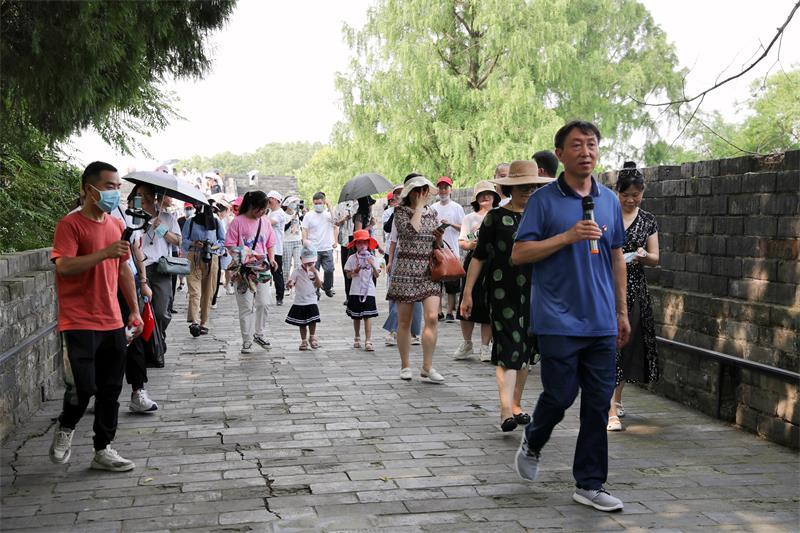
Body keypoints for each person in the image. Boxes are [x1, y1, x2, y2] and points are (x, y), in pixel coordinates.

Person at [512, 121, 630, 512]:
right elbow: (519, 254)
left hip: (601, 320)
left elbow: (617, 257)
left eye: (591, 144)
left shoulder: (609, 199)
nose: (586, 151)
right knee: (560, 395)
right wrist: (567, 236)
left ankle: (590, 484)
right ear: (560, 154)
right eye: (576, 145)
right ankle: (534, 438)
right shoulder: (543, 201)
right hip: (557, 318)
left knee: (598, 404)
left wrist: (621, 311)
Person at [48, 161, 140, 472]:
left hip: (112, 319)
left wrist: (134, 310)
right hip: (78, 320)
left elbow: (123, 269)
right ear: (90, 189)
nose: (115, 192)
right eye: (109, 186)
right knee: (84, 387)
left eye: (118, 187)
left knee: (111, 389)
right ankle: (66, 425)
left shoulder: (115, 225)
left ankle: (103, 448)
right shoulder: (70, 224)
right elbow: (64, 266)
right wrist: (104, 253)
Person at [463, 162, 553, 432]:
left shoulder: (542, 217)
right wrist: (467, 293)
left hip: (535, 291)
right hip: (502, 291)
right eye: (522, 186)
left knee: (525, 349)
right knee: (509, 347)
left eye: (532, 186)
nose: (528, 191)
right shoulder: (495, 218)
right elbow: (478, 256)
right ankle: (505, 410)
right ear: (510, 188)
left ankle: (516, 405)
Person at [607, 162, 660, 431]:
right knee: (609, 346)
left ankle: (616, 399)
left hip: (636, 288)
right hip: (607, 287)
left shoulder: (648, 220)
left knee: (626, 346)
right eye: (625, 195)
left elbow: (655, 257)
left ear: (643, 193)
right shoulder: (607, 215)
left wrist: (644, 256)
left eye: (635, 195)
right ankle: (609, 410)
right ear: (617, 192)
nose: (630, 200)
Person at [385, 175, 446, 383]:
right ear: (410, 193)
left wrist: (439, 238)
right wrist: (418, 208)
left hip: (428, 271)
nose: (422, 194)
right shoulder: (400, 212)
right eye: (418, 190)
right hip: (406, 271)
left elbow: (437, 246)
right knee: (404, 321)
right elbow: (410, 233)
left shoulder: (433, 213)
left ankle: (427, 366)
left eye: (424, 190)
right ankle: (405, 365)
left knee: (432, 317)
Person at [225, 191, 279, 354]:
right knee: (246, 306)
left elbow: (270, 242)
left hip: (261, 268)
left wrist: (272, 259)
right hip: (242, 270)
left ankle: (259, 333)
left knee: (264, 302)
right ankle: (247, 340)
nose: (262, 212)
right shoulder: (237, 222)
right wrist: (245, 255)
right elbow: (230, 245)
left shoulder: (265, 222)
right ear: (251, 206)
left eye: (264, 210)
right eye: (260, 209)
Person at [453, 180, 499, 362]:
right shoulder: (469, 218)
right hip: (473, 261)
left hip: (494, 263)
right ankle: (467, 343)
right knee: (468, 299)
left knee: (488, 304)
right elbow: (462, 241)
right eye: (481, 194)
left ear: (495, 197)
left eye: (489, 194)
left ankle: (485, 346)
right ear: (476, 198)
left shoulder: (499, 215)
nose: (485, 197)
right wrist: (470, 245)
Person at [138, 184, 182, 347]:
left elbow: (178, 241)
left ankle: (158, 338)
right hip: (138, 268)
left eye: (147, 194)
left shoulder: (167, 218)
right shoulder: (133, 216)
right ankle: (145, 346)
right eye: (139, 194)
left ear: (155, 197)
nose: (143, 198)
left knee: (161, 311)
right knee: (140, 311)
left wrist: (161, 229)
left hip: (160, 268)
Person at [181, 202, 225, 337]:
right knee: (194, 291)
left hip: (211, 258)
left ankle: (203, 322)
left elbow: (222, 241)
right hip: (194, 257)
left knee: (208, 291)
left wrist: (212, 246)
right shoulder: (190, 222)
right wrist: (193, 243)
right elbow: (184, 240)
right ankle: (194, 321)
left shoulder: (216, 222)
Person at [431, 176, 465, 322]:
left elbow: (464, 228)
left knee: (452, 284)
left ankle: (450, 311)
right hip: (436, 249)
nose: (443, 190)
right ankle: (439, 311)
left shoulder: (457, 207)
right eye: (441, 188)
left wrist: (450, 224)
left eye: (446, 187)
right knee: (437, 282)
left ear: (451, 189)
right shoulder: (433, 208)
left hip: (452, 250)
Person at [344, 229, 381, 351]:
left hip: (369, 290)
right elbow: (348, 276)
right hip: (355, 290)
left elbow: (377, 275)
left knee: (368, 316)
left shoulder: (372, 257)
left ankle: (368, 340)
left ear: (368, 244)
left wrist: (372, 265)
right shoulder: (351, 258)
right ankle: (357, 337)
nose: (362, 245)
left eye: (365, 242)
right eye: (359, 242)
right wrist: (354, 271)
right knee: (356, 316)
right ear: (355, 244)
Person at [285, 245, 323, 350]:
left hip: (311, 300)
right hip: (300, 301)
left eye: (311, 262)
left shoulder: (315, 271)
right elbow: (292, 282)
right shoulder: (296, 271)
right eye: (306, 262)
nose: (308, 265)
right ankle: (304, 340)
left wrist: (315, 274)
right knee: (302, 323)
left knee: (313, 320)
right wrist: (290, 284)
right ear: (301, 259)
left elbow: (319, 285)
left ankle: (312, 337)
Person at [302, 192, 337, 298]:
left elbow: (335, 223)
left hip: (327, 247)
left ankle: (327, 287)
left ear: (324, 202)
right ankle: (315, 292)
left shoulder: (328, 214)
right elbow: (305, 229)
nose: (318, 205)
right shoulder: (309, 215)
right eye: (316, 203)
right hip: (313, 248)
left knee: (329, 270)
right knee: (313, 272)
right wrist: (305, 241)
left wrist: (330, 207)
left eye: (320, 203)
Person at [267, 190, 287, 305]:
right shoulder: (269, 212)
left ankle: (280, 296)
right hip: (266, 247)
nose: (268, 201)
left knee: (277, 273)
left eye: (270, 199)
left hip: (276, 249)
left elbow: (269, 222)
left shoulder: (279, 213)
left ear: (276, 200)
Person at [333, 199, 356, 298]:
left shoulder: (360, 203)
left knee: (357, 267)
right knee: (346, 268)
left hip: (357, 240)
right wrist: (344, 219)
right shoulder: (340, 204)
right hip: (345, 241)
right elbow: (335, 222)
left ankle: (356, 294)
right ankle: (348, 295)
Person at [282, 196, 303, 283]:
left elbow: (304, 222)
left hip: (297, 241)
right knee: (287, 265)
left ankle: (296, 283)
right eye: (293, 202)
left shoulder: (298, 213)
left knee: (298, 264)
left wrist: (302, 212)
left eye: (295, 202)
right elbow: (283, 229)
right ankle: (286, 284)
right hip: (287, 242)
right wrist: (292, 219)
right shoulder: (283, 214)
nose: (294, 204)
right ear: (287, 203)